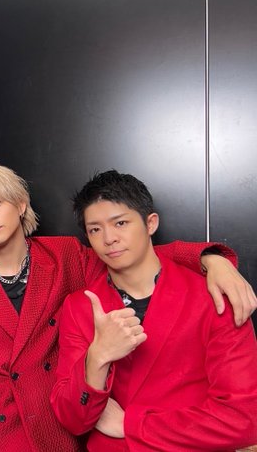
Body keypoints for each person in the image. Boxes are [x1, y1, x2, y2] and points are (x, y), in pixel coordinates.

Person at [0, 161, 256, 452]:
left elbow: (130, 256)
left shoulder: (65, 255)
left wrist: (209, 259)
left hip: (48, 427)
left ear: (20, 204)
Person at [50, 170, 257, 451]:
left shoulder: (214, 296)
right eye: (95, 229)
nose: (108, 238)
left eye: (120, 223)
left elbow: (243, 420)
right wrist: (98, 357)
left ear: (151, 223)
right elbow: (72, 418)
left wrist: (131, 425)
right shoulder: (80, 306)